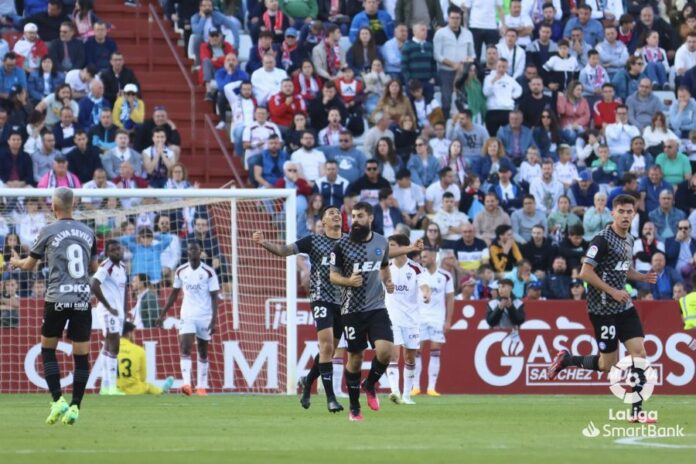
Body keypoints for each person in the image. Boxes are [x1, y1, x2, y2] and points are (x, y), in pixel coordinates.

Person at [547, 195, 658, 422]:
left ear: (634, 214)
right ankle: (566, 360)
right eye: (622, 211)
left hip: (623, 306)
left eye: (630, 212)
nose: (626, 215)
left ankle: (637, 411)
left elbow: (623, 269)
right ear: (613, 214)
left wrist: (642, 277)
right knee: (607, 365)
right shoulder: (601, 240)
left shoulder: (629, 239)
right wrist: (613, 291)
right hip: (602, 309)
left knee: (640, 353)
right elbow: (585, 272)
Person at [10, 187, 98, 425]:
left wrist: (15, 262)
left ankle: (58, 400)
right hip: (82, 298)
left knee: (48, 350)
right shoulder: (88, 231)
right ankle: (75, 407)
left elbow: (29, 265)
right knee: (81, 357)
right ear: (74, 204)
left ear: (54, 206)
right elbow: (94, 268)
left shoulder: (48, 230)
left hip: (57, 298)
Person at [253, 206, 345, 412]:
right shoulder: (313, 241)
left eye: (338, 212)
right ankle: (331, 399)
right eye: (331, 213)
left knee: (326, 351)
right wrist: (263, 243)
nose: (336, 215)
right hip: (321, 298)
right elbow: (285, 251)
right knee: (328, 346)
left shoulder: (349, 242)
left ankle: (307, 382)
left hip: (344, 302)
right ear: (322, 222)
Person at [329, 202, 395, 421]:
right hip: (351, 310)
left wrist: (389, 282)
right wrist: (348, 281)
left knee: (386, 352)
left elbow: (384, 266)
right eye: (353, 216)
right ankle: (354, 407)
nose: (355, 220)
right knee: (355, 359)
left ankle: (370, 383)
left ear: (370, 218)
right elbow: (333, 276)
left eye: (359, 216)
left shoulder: (381, 242)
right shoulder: (342, 245)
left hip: (377, 307)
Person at [157, 242, 220, 396]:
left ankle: (201, 386)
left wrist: (214, 320)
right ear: (187, 252)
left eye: (196, 250)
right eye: (190, 249)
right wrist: (163, 313)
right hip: (187, 315)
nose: (193, 252)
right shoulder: (180, 271)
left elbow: (214, 298)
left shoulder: (208, 272)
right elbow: (174, 293)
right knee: (185, 346)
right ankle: (186, 384)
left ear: (200, 253)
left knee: (203, 351)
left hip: (204, 316)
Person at [384, 234, 431, 405]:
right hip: (391, 317)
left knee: (410, 358)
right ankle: (395, 392)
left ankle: (407, 395)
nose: (390, 249)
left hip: (411, 319)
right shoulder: (385, 266)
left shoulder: (416, 268)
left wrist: (426, 294)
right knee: (393, 355)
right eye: (389, 246)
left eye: (393, 245)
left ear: (404, 247)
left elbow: (424, 285)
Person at [411, 247, 454, 398]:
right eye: (422, 257)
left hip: (437, 318)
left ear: (434, 257)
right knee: (417, 350)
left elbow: (450, 299)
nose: (422, 259)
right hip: (419, 317)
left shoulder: (445, 276)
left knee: (435, 351)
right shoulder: (417, 275)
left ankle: (431, 387)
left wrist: (448, 320)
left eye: (425, 256)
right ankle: (415, 387)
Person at [90, 240, 128, 396]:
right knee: (115, 345)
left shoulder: (123, 267)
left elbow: (123, 291)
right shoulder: (106, 266)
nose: (117, 252)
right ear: (107, 253)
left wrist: (123, 311)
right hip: (108, 311)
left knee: (108, 346)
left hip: (118, 312)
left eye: (118, 248)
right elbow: (94, 284)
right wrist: (107, 306)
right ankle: (112, 387)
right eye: (113, 250)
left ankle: (105, 387)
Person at [116, 321, 174, 395]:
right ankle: (162, 391)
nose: (134, 336)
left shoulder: (109, 349)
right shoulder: (139, 350)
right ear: (129, 333)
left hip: (114, 390)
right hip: (133, 390)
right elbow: (143, 377)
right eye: (134, 333)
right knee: (148, 387)